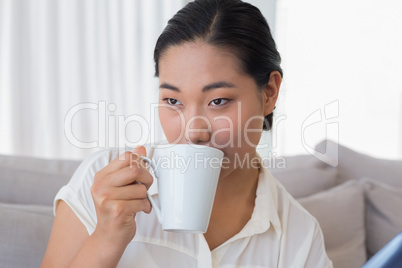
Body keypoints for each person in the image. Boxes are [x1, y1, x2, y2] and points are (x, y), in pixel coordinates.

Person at [41, 0, 333, 267]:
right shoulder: (101, 184)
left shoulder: (299, 237)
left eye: (218, 101)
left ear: (269, 92)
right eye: (173, 101)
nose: (194, 132)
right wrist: (105, 239)